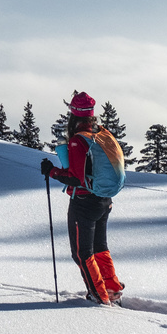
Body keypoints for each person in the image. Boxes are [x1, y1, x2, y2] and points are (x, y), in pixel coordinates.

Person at [41, 91, 125, 304]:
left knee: (82, 253)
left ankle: (98, 295)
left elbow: (76, 178)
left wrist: (51, 171)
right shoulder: (100, 133)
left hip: (84, 203)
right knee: (100, 248)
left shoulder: (79, 141)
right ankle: (112, 288)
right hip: (104, 201)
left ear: (74, 115)